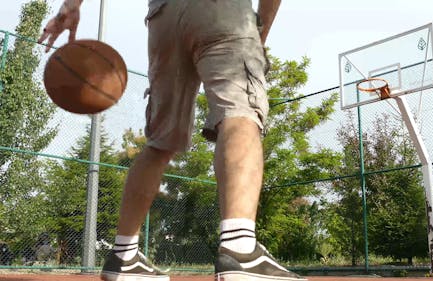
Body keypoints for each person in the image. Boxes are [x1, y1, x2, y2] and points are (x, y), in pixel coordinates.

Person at [39, 0, 306, 280]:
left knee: (159, 142)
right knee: (241, 111)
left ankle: (124, 256)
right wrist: (258, 31)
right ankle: (240, 249)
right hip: (222, 11)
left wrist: (70, 5)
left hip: (163, 17)